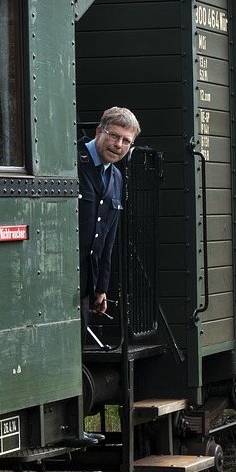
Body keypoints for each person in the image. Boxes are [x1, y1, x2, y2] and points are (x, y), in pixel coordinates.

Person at [79, 106, 140, 344]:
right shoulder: (70, 160)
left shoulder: (116, 177)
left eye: (126, 141)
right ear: (98, 132)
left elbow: (107, 238)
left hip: (84, 288)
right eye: (114, 136)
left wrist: (100, 288)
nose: (118, 145)